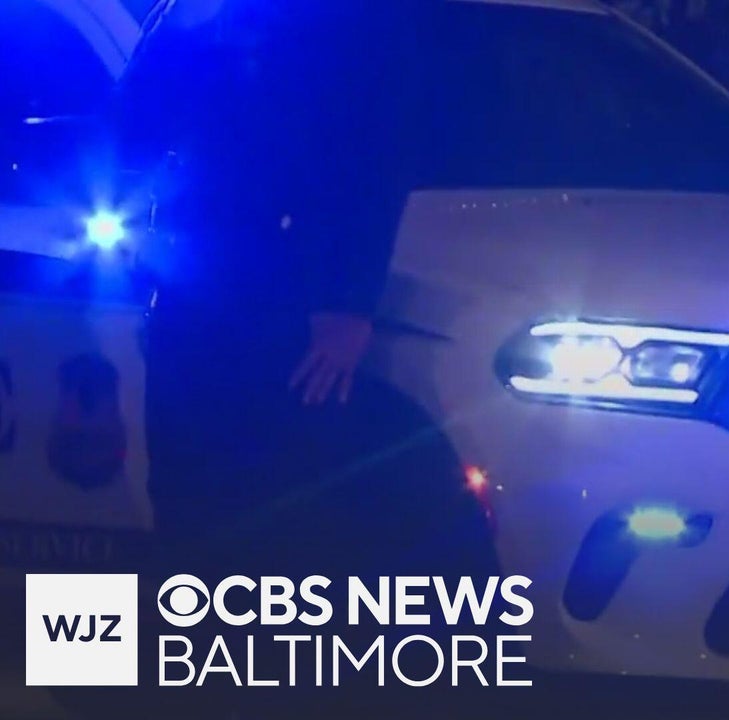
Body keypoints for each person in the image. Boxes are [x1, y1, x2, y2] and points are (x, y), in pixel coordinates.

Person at [85, 1, 499, 716]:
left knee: (269, 505)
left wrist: (348, 300)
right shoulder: (193, 18)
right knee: (184, 490)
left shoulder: (350, 23)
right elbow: (136, 124)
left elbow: (373, 150)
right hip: (191, 287)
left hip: (287, 296)